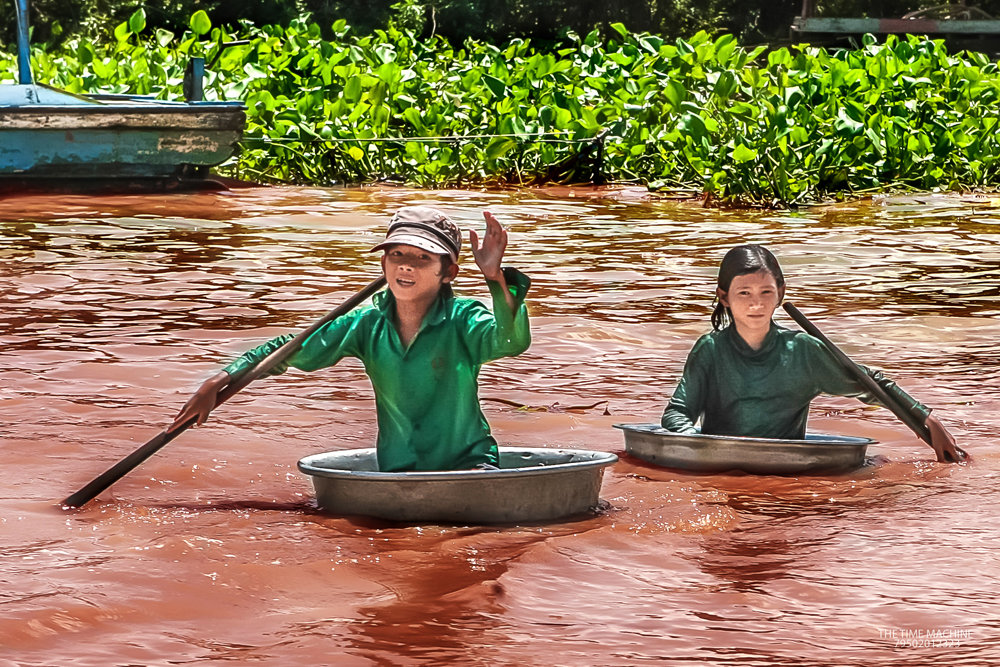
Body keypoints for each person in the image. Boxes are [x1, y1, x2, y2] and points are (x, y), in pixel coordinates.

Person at [172, 206, 531, 472]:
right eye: (397, 255)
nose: (406, 266)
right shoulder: (366, 324)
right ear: (383, 264)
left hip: (470, 467)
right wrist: (222, 378)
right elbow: (292, 349)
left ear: (448, 272)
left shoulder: (463, 319)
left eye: (422, 258)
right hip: (399, 470)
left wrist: (495, 278)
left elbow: (510, 341)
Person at [660, 244, 966, 463]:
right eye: (744, 293)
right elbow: (677, 412)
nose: (756, 303)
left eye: (766, 292)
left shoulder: (802, 351)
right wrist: (698, 444)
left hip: (788, 468)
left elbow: (870, 384)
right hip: (720, 467)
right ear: (724, 297)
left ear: (780, 294)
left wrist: (929, 420)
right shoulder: (710, 350)